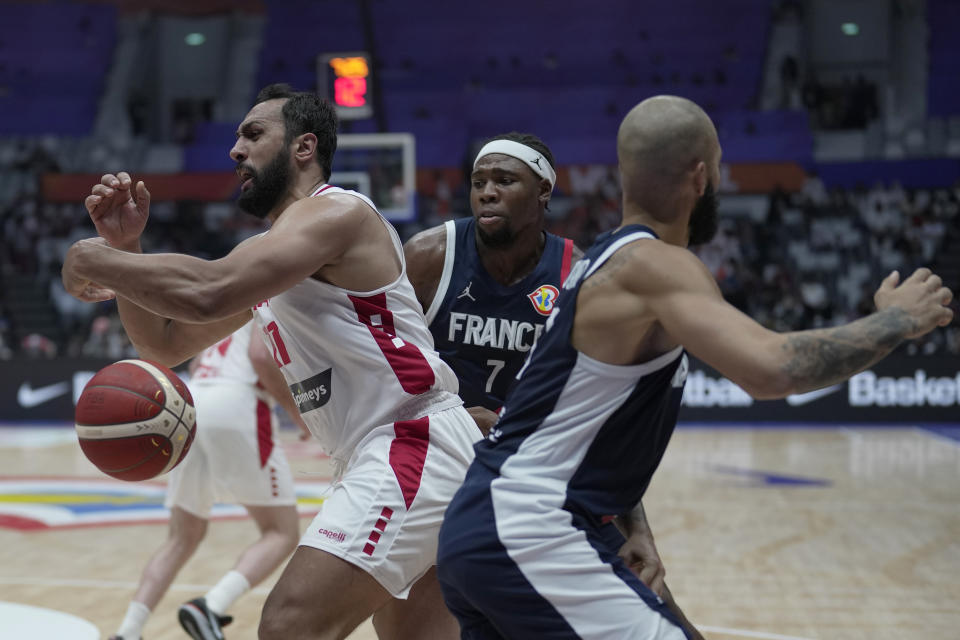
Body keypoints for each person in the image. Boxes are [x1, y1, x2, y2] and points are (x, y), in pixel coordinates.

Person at [435, 95, 954, 639]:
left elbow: (581, 422)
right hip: (527, 531)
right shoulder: (655, 266)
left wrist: (634, 525)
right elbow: (773, 370)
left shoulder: (605, 261)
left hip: (492, 527)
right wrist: (897, 322)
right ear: (702, 176)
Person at [62, 83, 482, 640]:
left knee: (290, 625)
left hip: (410, 441)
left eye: (254, 134)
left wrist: (92, 259)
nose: (235, 150)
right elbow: (164, 346)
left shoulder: (338, 212)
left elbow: (207, 291)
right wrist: (125, 252)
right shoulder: (274, 252)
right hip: (385, 451)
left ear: (304, 147)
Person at [404, 132, 702, 637]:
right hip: (435, 465)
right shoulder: (430, 257)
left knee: (661, 610)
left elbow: (596, 416)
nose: (487, 192)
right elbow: (381, 368)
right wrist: (453, 418)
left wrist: (639, 528)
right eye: (478, 182)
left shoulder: (577, 273)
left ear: (544, 191)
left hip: (534, 482)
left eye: (504, 180)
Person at [110, 321, 307, 640]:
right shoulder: (269, 291)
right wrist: (298, 413)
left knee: (181, 538)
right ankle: (212, 605)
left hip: (190, 403)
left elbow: (197, 362)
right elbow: (259, 355)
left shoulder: (227, 305)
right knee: (280, 532)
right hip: (237, 402)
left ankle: (128, 631)